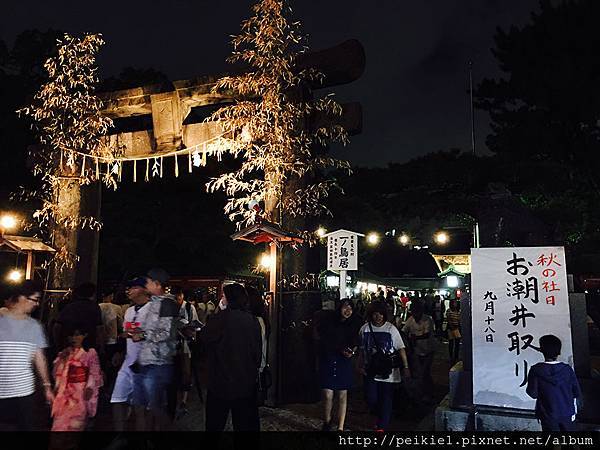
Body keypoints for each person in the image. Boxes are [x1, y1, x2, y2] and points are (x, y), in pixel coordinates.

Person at [199, 283, 262, 431]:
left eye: (224, 296)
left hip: (220, 383)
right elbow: (257, 353)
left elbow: (204, 339)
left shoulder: (220, 319)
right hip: (245, 383)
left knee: (215, 425)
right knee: (243, 426)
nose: (222, 298)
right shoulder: (252, 320)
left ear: (229, 299)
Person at [0, 280, 54, 430]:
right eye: (35, 299)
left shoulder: (34, 326)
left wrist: (47, 386)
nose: (37, 304)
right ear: (23, 297)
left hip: (25, 391)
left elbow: (39, 357)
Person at [132, 268, 179, 431]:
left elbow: (166, 332)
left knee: (155, 408)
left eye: (149, 282)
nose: (146, 284)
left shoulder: (167, 303)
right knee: (142, 406)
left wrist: (143, 334)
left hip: (158, 363)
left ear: (157, 284)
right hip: (146, 361)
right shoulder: (153, 303)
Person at [359, 301, 409, 431]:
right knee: (371, 398)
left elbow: (401, 348)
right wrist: (359, 364)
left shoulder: (391, 329)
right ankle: (379, 415)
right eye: (375, 314)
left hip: (388, 371)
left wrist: (406, 366)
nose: (378, 317)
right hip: (370, 369)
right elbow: (361, 349)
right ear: (371, 315)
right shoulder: (364, 329)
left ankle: (382, 425)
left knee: (386, 398)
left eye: (381, 314)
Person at [110, 277, 151, 431]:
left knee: (140, 408)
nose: (128, 291)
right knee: (117, 400)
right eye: (128, 288)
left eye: (133, 287)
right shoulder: (128, 311)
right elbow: (126, 333)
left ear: (145, 290)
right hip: (128, 364)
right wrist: (120, 351)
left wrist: (143, 335)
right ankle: (119, 436)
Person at [315, 298, 361, 431]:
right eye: (345, 307)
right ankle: (327, 421)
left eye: (350, 308)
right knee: (328, 394)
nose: (348, 311)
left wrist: (352, 351)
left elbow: (356, 342)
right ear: (339, 308)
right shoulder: (329, 323)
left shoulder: (354, 324)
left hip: (344, 361)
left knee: (342, 394)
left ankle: (340, 427)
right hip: (329, 359)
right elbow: (324, 340)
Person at [51, 327, 103, 431]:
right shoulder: (65, 352)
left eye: (78, 335)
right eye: (72, 335)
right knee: (60, 423)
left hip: (81, 391)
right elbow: (57, 372)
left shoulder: (90, 353)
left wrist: (89, 387)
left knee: (77, 423)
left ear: (85, 335)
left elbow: (94, 372)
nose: (74, 338)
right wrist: (62, 359)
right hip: (66, 391)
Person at [526, 335, 582, 431]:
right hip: (567, 412)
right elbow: (576, 392)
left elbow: (533, 394)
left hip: (547, 414)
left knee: (554, 443)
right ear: (558, 352)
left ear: (541, 351)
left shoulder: (536, 370)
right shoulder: (567, 369)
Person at [170, 286, 199, 419]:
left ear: (182, 295)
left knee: (186, 372)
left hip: (186, 344)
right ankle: (174, 400)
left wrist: (188, 330)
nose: (177, 299)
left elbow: (195, 325)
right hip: (172, 345)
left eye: (178, 296)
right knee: (174, 372)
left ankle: (183, 401)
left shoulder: (189, 308)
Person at [53, 282, 104, 353]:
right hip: (88, 346)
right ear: (93, 294)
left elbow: (57, 326)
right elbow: (99, 328)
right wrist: (101, 346)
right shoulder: (94, 307)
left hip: (69, 346)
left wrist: (58, 344)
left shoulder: (69, 307)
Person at [402, 300, 436, 403]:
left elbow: (426, 334)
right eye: (413, 312)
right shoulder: (410, 320)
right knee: (419, 373)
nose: (415, 315)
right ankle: (422, 393)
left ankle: (427, 393)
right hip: (417, 351)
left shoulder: (428, 320)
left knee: (424, 372)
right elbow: (404, 331)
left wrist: (414, 338)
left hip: (428, 350)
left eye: (417, 313)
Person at [246, 286, 270, 405]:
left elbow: (258, 346)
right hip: (257, 365)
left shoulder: (256, 321)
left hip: (254, 367)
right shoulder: (260, 319)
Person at [98, 287, 123, 390]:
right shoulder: (117, 308)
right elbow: (121, 325)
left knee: (101, 365)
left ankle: (102, 386)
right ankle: (110, 387)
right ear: (111, 296)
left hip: (100, 340)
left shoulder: (98, 306)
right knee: (113, 366)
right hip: (113, 340)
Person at [446, 299, 461, 365]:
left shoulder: (459, 311)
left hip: (457, 328)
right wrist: (452, 327)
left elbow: (460, 319)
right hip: (451, 328)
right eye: (454, 303)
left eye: (456, 303)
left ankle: (456, 356)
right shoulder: (449, 310)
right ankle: (451, 356)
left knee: (457, 343)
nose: (455, 304)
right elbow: (448, 319)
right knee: (451, 342)